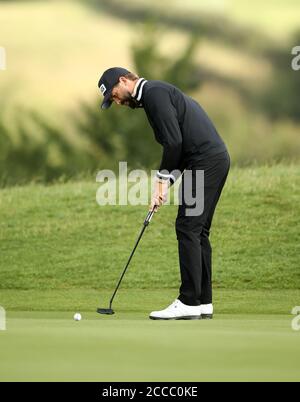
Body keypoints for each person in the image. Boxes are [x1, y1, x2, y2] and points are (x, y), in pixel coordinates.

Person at [98, 67, 230, 320]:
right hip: (211, 160)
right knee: (198, 230)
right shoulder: (154, 94)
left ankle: (188, 300)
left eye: (114, 95)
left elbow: (173, 143)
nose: (116, 102)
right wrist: (165, 184)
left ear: (124, 81)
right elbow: (179, 144)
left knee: (188, 227)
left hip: (204, 162)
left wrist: (160, 181)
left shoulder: (154, 93)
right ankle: (203, 302)